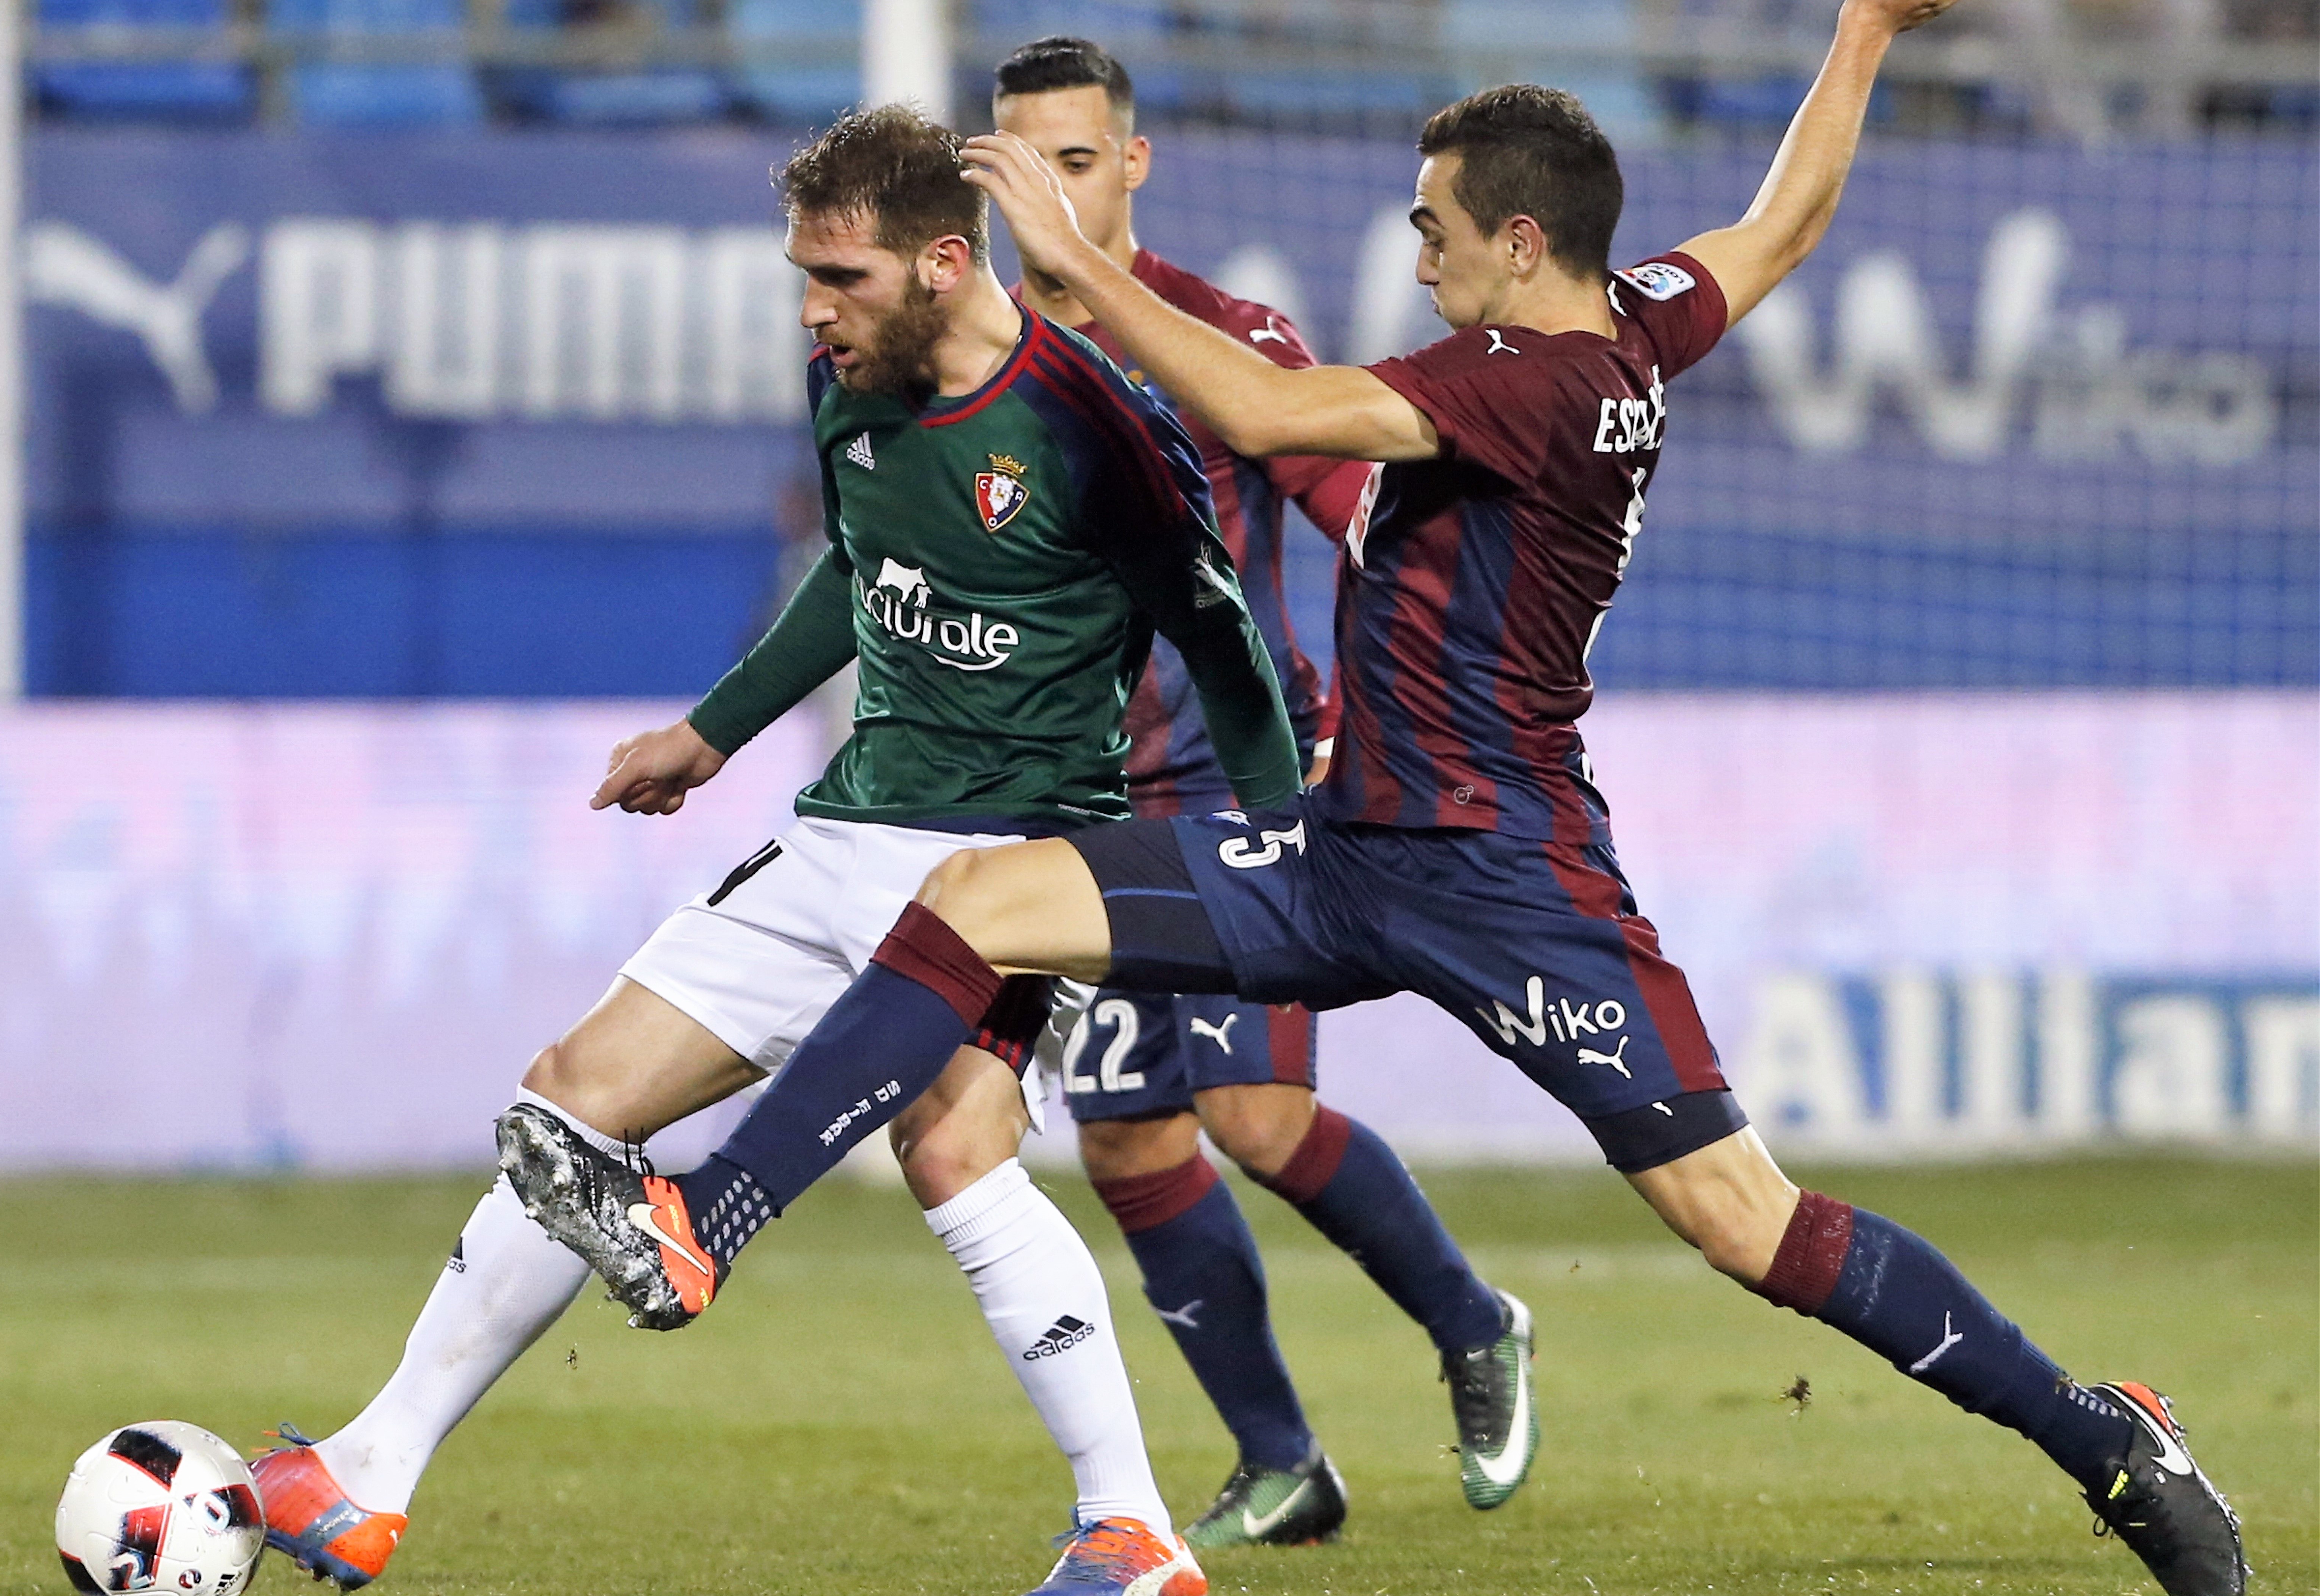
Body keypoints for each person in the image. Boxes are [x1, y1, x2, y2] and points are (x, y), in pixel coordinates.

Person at [501, 3, 2251, 1593]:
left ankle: (2104, 1432)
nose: (1417, 258)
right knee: (972, 905)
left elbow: (1267, 411)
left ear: (1520, 241)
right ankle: (709, 1220)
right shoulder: (1638, 319)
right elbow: (1782, 225)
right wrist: (1864, 30)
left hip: (1509, 879)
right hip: (1343, 852)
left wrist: (1078, 270)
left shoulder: (1522, 384)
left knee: (1748, 1223)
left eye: (1433, 228)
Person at [260, 103, 1308, 1596]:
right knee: (572, 1103)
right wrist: (715, 730)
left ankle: (1128, 1524)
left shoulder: (1093, 423)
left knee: (953, 1153)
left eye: (842, 277)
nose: (815, 309)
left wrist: (1273, 851)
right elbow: (860, 566)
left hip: (1005, 864)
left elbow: (1222, 638)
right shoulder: (851, 380)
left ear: (943, 263)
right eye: (805, 276)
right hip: (844, 825)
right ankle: (371, 1469)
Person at [989, 37, 1534, 1547]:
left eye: (1078, 161)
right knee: (1126, 1140)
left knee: (1255, 1110)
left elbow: (1366, 508)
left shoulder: (1224, 337)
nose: (1052, 193)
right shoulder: (976, 357)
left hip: (1247, 784)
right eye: (1023, 166)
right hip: (1087, 816)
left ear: (1134, 163)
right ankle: (1282, 1461)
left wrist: (1395, 694)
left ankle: (1473, 1320)